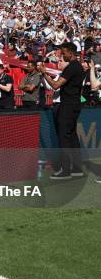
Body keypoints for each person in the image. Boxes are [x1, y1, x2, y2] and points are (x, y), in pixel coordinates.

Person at [38, 42, 84, 179]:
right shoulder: (77, 67)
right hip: (74, 105)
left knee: (64, 137)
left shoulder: (72, 67)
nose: (62, 56)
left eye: (64, 53)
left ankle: (65, 171)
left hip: (68, 106)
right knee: (72, 137)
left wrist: (44, 73)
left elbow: (55, 85)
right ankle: (76, 168)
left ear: (71, 52)